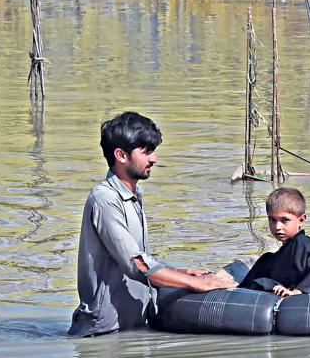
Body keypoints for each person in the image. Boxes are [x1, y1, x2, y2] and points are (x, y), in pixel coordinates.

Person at [69, 111, 232, 337]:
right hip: (102, 334)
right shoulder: (105, 200)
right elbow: (136, 265)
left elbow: (140, 258)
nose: (154, 159)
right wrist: (197, 283)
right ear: (121, 155)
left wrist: (179, 272)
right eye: (147, 152)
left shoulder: (134, 194)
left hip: (130, 329)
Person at [239, 187, 310, 296]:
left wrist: (296, 292)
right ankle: (239, 290)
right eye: (272, 220)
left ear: (301, 220)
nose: (277, 227)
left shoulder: (304, 244)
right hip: (276, 287)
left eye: (285, 220)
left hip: (291, 292)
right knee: (266, 258)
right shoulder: (282, 251)